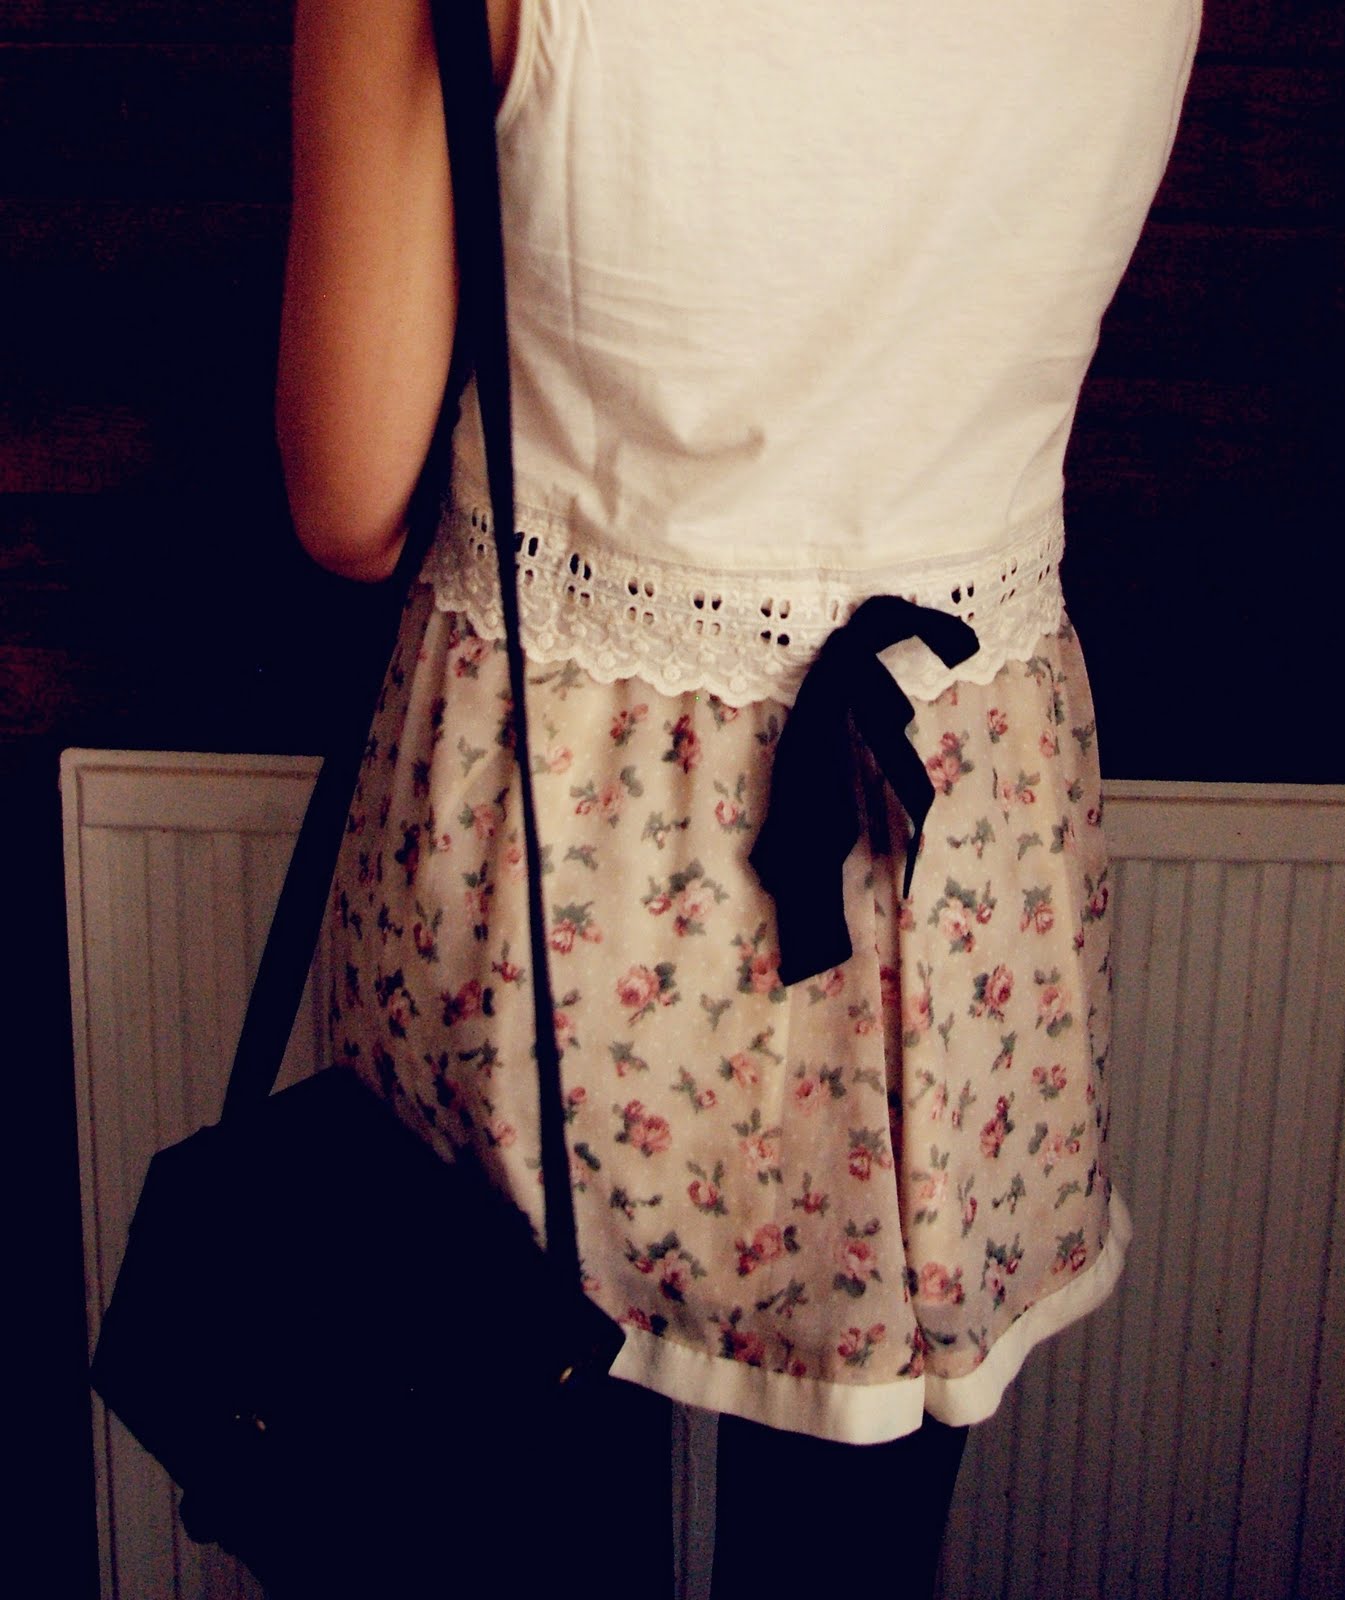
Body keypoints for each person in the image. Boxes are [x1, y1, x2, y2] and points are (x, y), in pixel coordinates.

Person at [277, 2, 1197, 1593]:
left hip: (553, 854)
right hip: (947, 852)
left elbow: (349, 505)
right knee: (855, 1552)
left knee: (517, 1522)